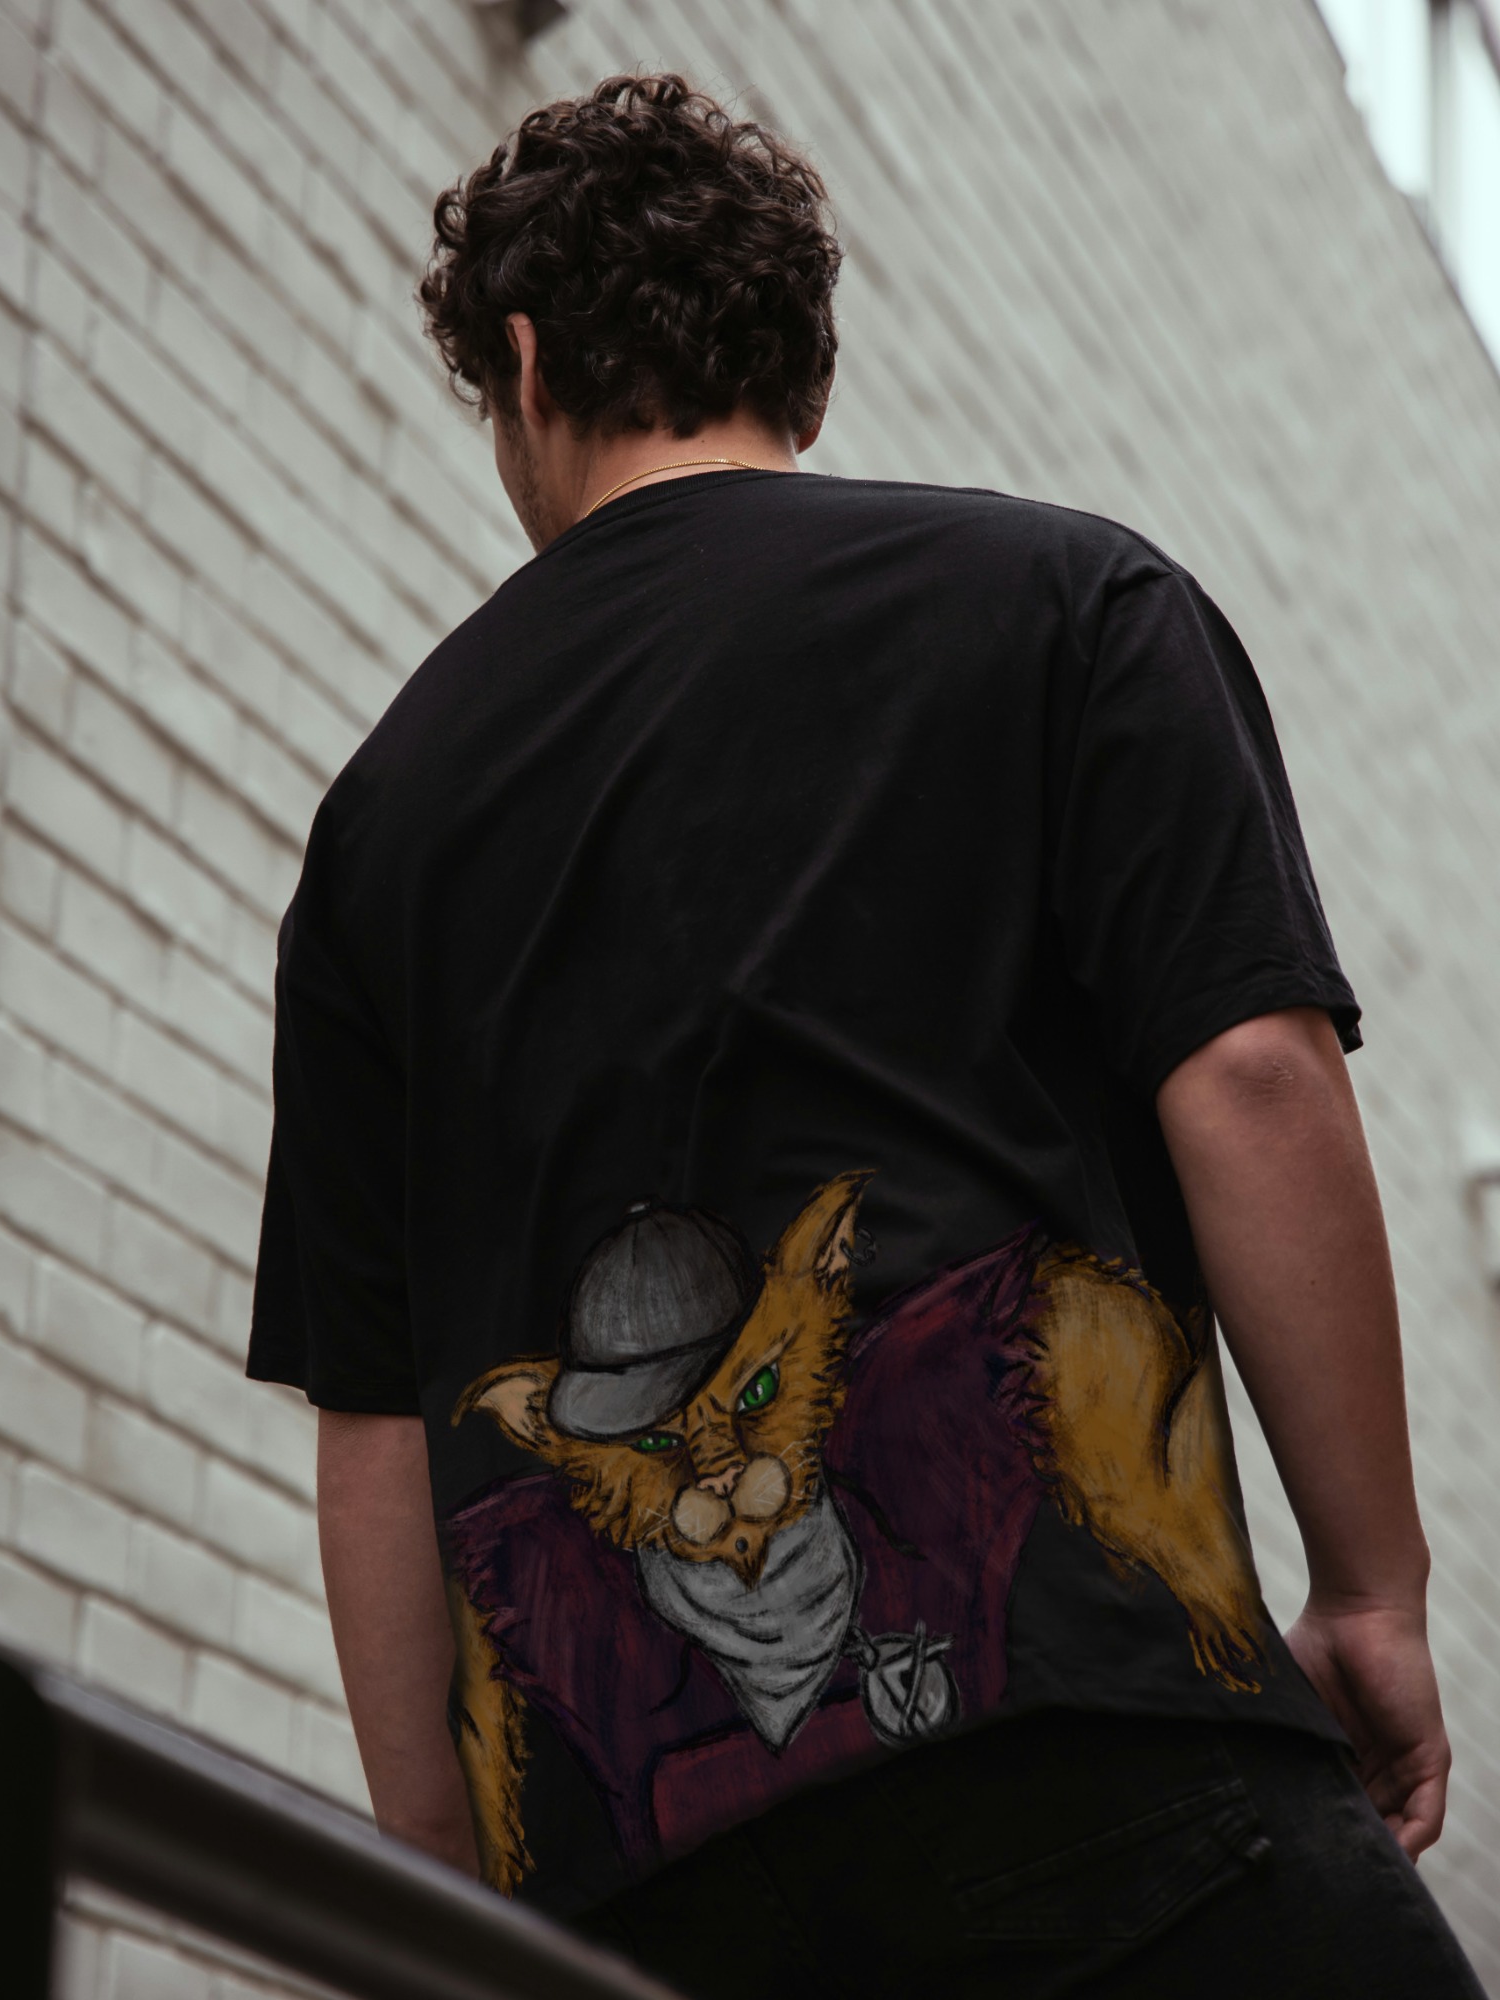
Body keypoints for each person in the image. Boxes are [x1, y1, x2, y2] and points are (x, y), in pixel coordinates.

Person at [246, 73, 1482, 2000]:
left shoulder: (380, 826)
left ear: (524, 364)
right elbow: (1252, 1074)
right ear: (801, 381)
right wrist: (1373, 1588)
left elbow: (379, 1423)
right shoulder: (1072, 601)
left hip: (642, 1886)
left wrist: (445, 1904)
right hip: (1090, 1750)